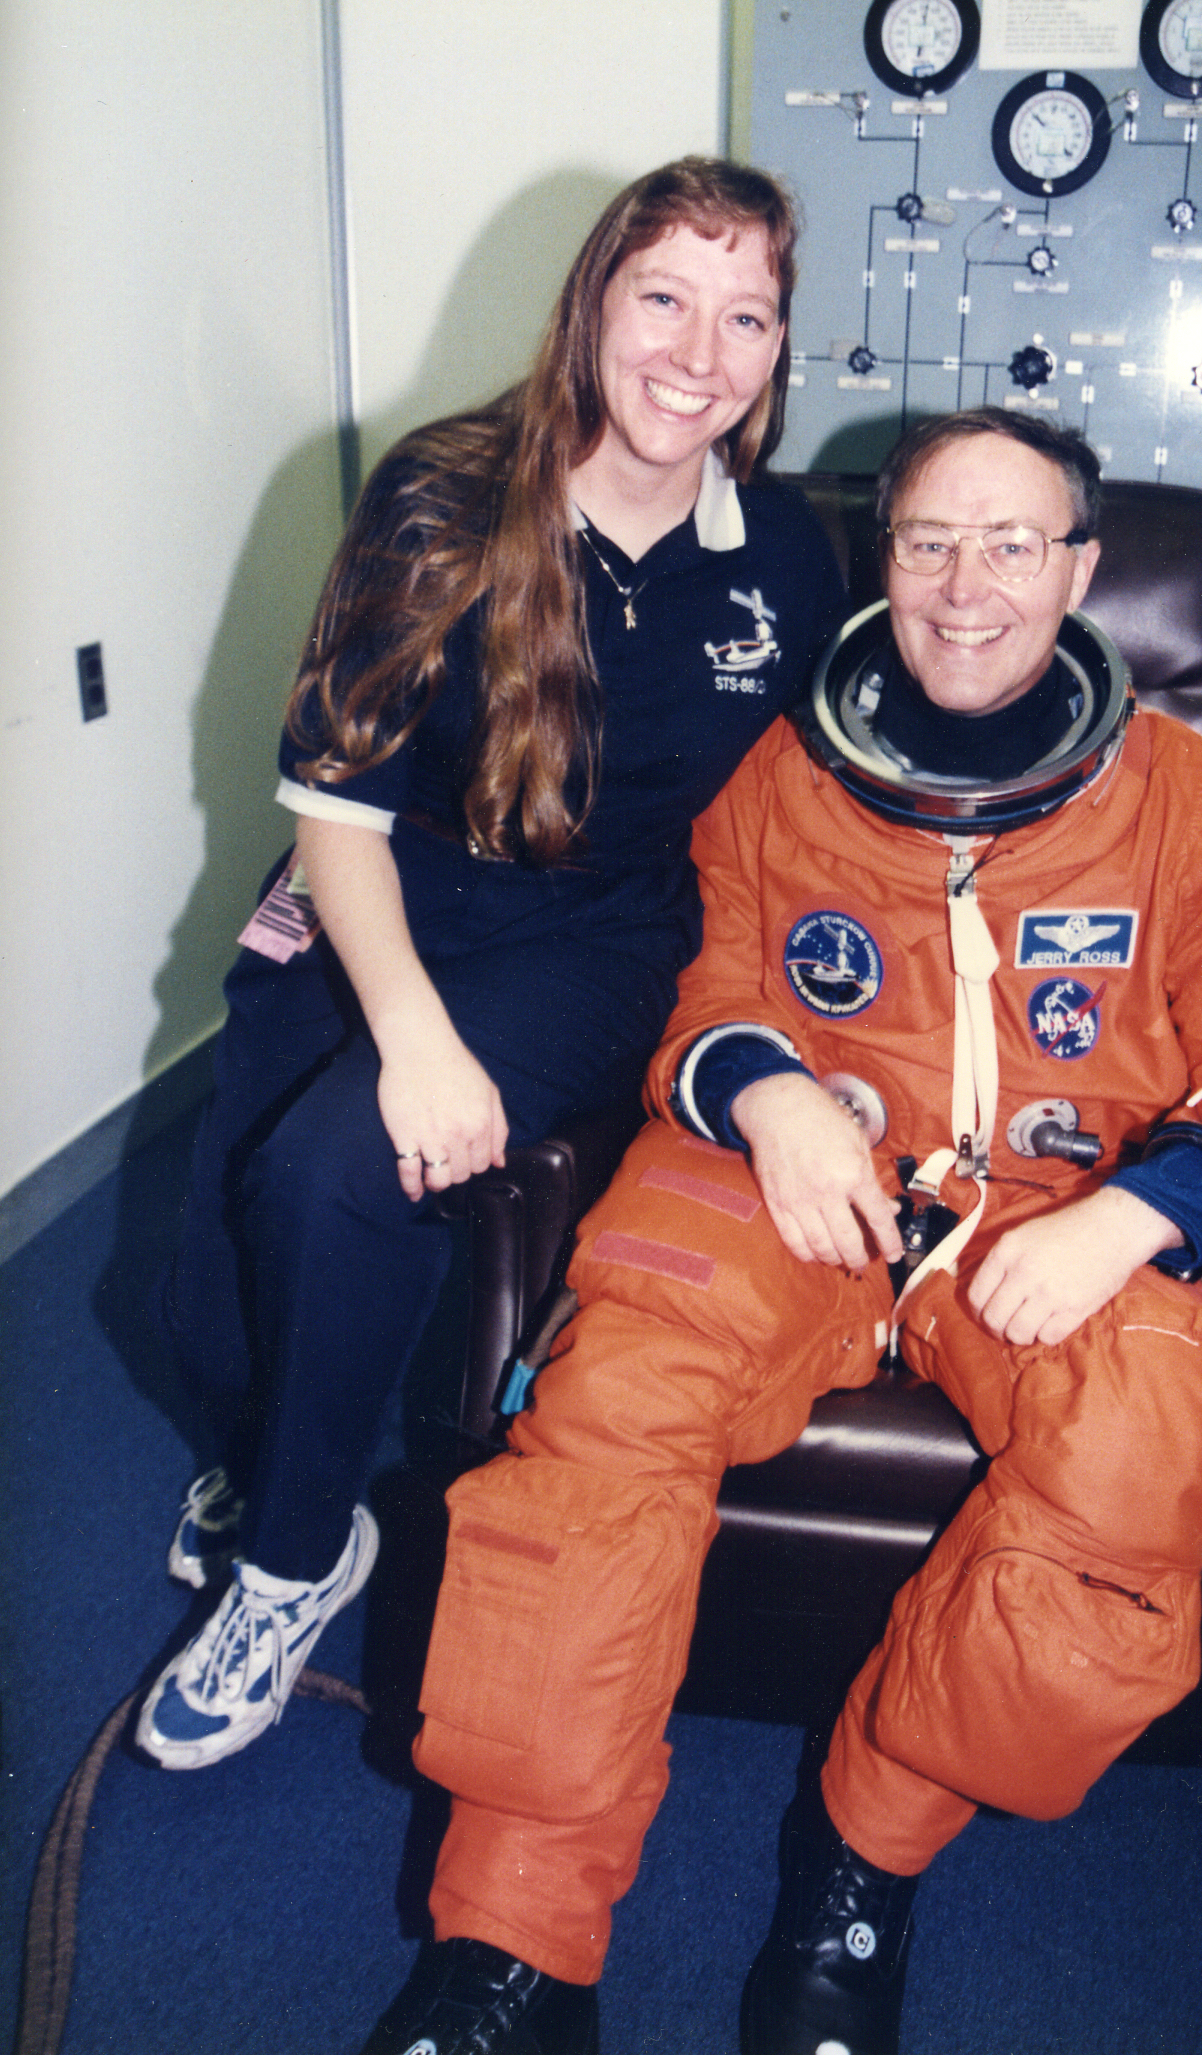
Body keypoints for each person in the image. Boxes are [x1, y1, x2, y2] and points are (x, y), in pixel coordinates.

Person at [358, 409, 1202, 2055]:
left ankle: (860, 1866)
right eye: (929, 540)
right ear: (884, 561)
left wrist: (1140, 1213)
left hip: (1063, 1206)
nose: (966, 583)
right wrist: (769, 1090)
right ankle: (515, 1937)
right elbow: (700, 978)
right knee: (603, 1409)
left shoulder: (1184, 799)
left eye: (1012, 544)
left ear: (1079, 569)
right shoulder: (787, 770)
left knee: (1141, 1446)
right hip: (800, 1175)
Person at [136, 157, 847, 1773]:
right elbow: (334, 805)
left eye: (747, 315)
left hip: (592, 931)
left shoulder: (785, 556)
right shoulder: (446, 494)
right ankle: (266, 1448)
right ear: (593, 303)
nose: (698, 350)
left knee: (339, 1171)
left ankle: (299, 1557)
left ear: (778, 349)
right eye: (663, 296)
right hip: (380, 877)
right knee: (200, 1296)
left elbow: (838, 776)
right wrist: (411, 1026)